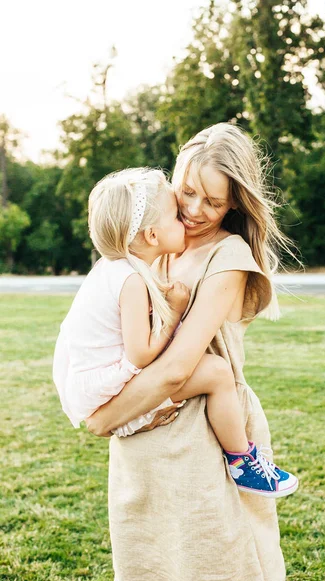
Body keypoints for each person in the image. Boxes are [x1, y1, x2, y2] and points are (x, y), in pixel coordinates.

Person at [86, 123, 292, 581]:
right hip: (145, 434)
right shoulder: (150, 244)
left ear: (236, 204)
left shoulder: (230, 254)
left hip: (204, 434)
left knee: (216, 566)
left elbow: (179, 366)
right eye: (189, 192)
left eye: (215, 203)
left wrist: (107, 416)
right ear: (171, 178)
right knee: (150, 567)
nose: (197, 211)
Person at [53, 167, 297, 498]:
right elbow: (141, 354)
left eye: (211, 201)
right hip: (106, 384)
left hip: (92, 379)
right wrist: (177, 312)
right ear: (152, 236)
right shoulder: (133, 280)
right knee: (217, 372)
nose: (188, 217)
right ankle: (243, 460)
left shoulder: (114, 268)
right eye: (176, 215)